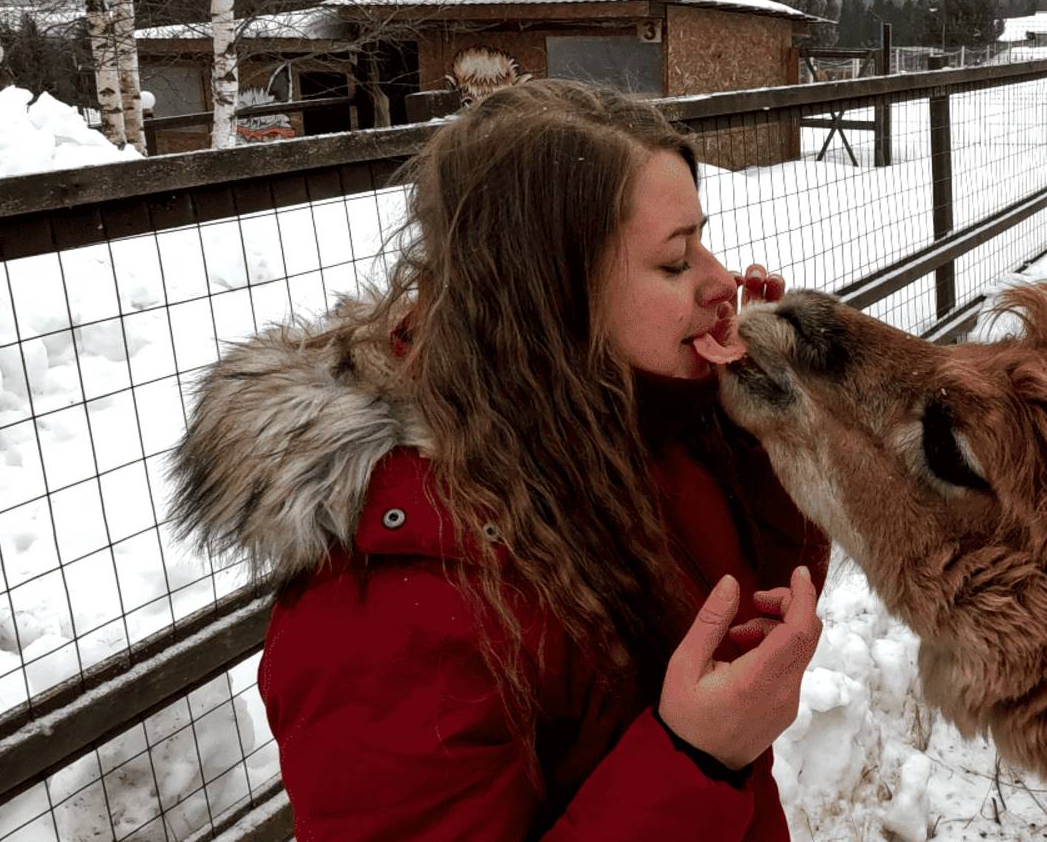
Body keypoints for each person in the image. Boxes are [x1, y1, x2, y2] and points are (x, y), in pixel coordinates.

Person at [172, 80, 829, 839]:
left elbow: (749, 607)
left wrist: (755, 428)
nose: (722, 281)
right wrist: (695, 762)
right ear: (549, 297)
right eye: (677, 261)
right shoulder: (391, 618)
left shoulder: (618, 415)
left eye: (702, 240)